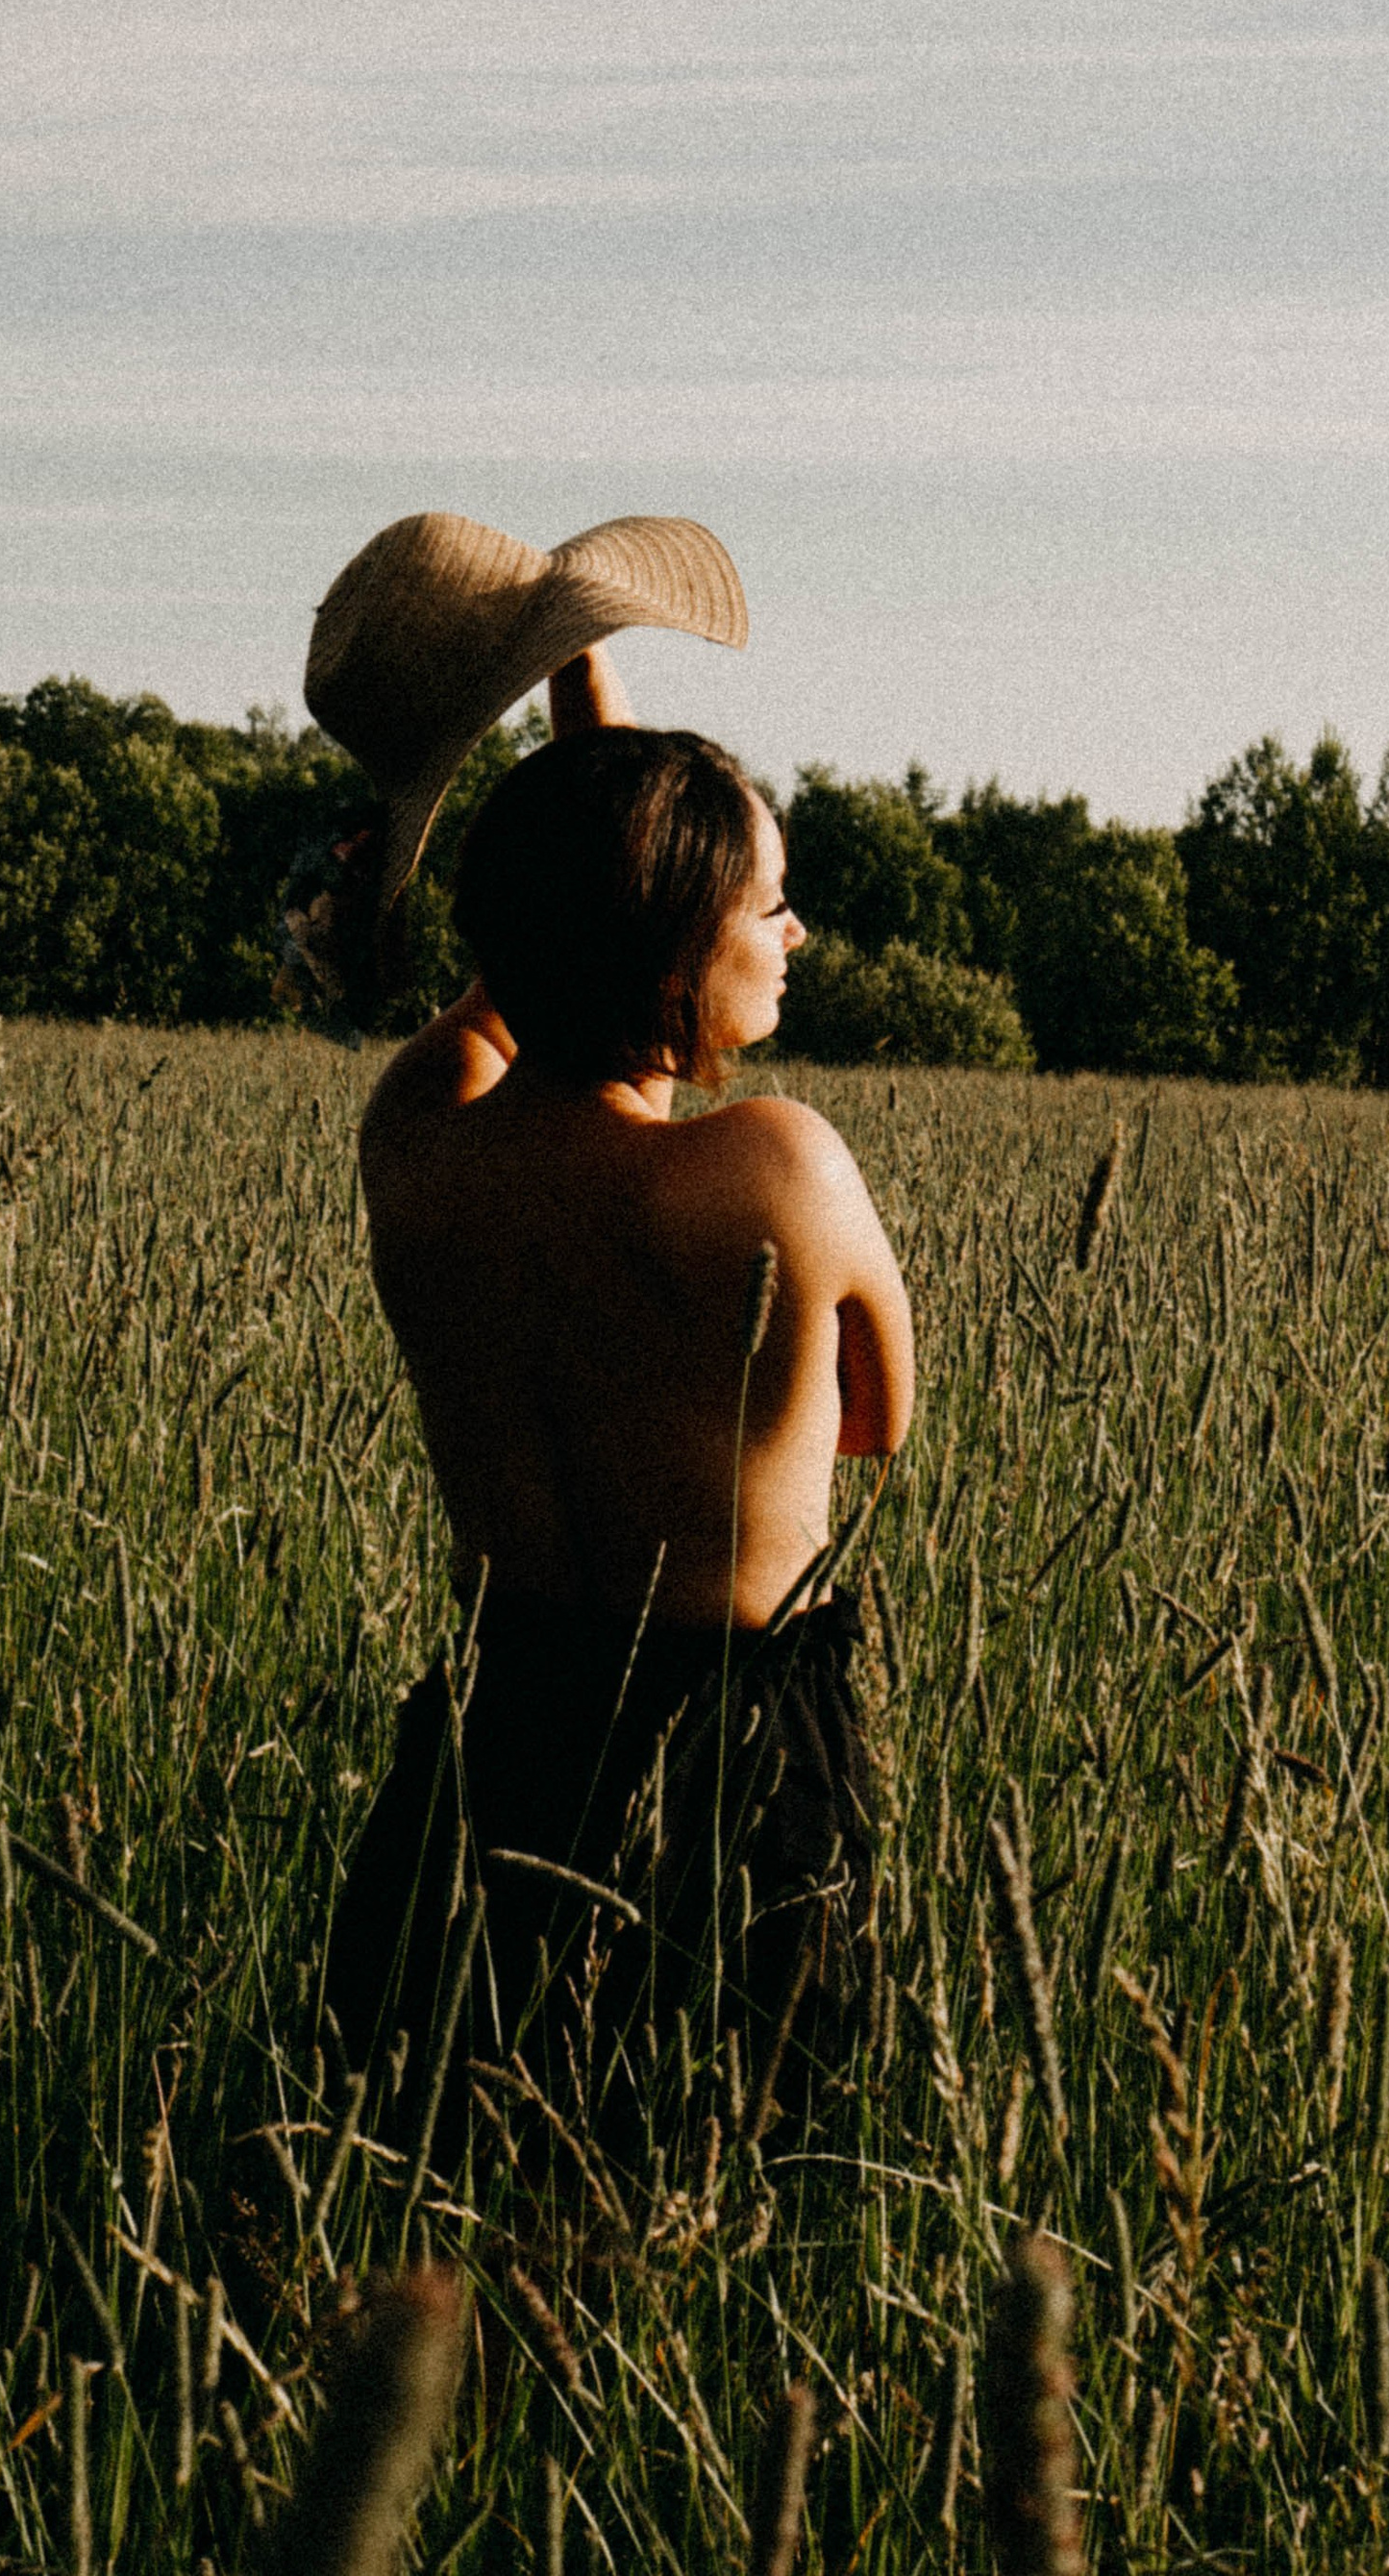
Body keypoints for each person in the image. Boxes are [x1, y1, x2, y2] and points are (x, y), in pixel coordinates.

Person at [312, 612, 914, 2163]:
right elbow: (873, 1425)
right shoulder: (780, 1165)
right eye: (769, 905)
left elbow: (546, 954)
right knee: (720, 2200)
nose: (796, 935)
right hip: (734, 1775)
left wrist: (576, 687)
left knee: (439, 2181)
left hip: (495, 1755)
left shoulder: (418, 1140)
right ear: (675, 948)